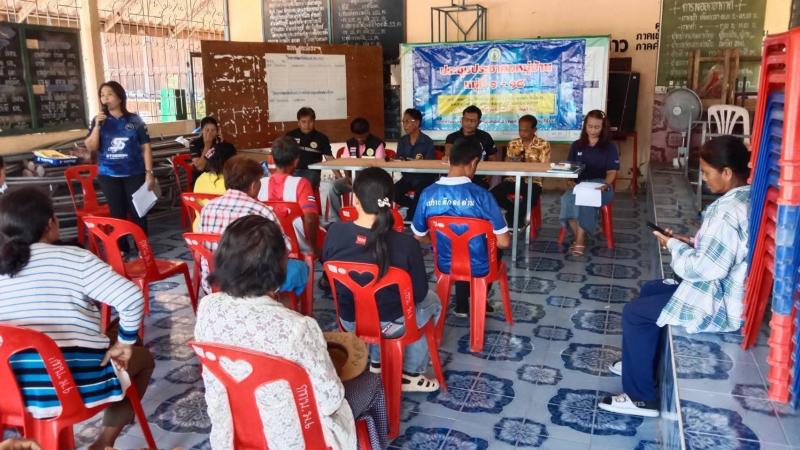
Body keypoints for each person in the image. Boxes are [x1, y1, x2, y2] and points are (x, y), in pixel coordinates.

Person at [196, 215, 388, 450]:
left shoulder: (207, 308)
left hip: (234, 433)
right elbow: (330, 400)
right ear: (279, 266)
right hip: (297, 440)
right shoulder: (298, 327)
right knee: (372, 382)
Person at [599, 136, 751, 418]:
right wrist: (688, 241)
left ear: (727, 173)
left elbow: (705, 269)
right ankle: (641, 364)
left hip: (718, 301)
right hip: (720, 287)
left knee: (634, 314)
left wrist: (674, 246)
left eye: (707, 172)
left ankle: (641, 398)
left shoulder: (727, 212)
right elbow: (721, 250)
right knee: (651, 289)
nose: (704, 179)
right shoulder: (745, 198)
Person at [0, 187, 154, 450]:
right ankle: (103, 443)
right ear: (50, 223)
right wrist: (124, 343)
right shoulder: (74, 258)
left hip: (11, 392)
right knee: (142, 358)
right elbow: (131, 298)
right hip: (74, 388)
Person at [323, 167, 442, 391]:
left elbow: (327, 268)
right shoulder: (406, 244)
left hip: (350, 321)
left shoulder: (334, 232)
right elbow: (418, 294)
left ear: (355, 200)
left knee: (374, 301)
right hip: (390, 326)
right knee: (433, 300)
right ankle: (411, 373)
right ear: (392, 203)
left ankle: (377, 362)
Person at [412, 138, 510, 317]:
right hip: (479, 267)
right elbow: (503, 242)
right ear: (474, 162)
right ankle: (479, 299)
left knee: (457, 248)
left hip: (445, 264)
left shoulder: (427, 194)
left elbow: (418, 235)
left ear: (449, 160)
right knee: (489, 248)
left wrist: (437, 242)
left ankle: (462, 305)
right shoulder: (482, 196)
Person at [198, 155, 308, 295]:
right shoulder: (261, 210)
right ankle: (281, 305)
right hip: (251, 286)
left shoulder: (208, 207)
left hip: (214, 282)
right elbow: (285, 249)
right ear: (254, 185)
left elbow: (201, 244)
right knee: (300, 268)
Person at [83, 81, 154, 254]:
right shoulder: (98, 121)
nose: (105, 98)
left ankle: (142, 248)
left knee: (138, 212)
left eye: (109, 94)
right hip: (108, 175)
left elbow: (146, 147)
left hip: (134, 173)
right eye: (102, 95)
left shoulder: (135, 120)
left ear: (120, 97)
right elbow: (91, 147)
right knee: (117, 213)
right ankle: (122, 248)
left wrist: (149, 173)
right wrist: (97, 126)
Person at [559, 110, 619, 256]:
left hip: (601, 186)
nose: (592, 130)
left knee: (586, 200)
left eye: (597, 127)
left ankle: (579, 240)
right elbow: (570, 168)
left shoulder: (609, 147)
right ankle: (579, 234)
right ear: (585, 126)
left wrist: (605, 184)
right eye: (590, 126)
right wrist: (569, 180)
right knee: (566, 200)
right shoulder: (577, 145)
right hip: (579, 185)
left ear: (603, 128)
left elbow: (612, 172)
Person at [258, 136, 319, 255]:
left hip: (268, 247)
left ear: (272, 160)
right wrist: (313, 248)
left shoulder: (260, 183)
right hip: (299, 248)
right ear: (296, 161)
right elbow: (311, 219)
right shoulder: (301, 184)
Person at [490, 114, 551, 229]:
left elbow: (544, 167)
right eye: (520, 130)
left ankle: (512, 217)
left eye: (525, 130)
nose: (522, 133)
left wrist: (524, 165)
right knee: (492, 195)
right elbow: (506, 164)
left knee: (530, 198)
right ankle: (513, 211)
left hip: (532, 181)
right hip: (512, 180)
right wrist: (512, 161)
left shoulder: (543, 145)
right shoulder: (513, 143)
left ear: (534, 130)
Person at [327, 118, 385, 221]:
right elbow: (345, 162)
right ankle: (335, 220)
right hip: (352, 180)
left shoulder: (377, 144)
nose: (359, 139)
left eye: (362, 137)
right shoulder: (349, 143)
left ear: (368, 132)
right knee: (333, 187)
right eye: (356, 136)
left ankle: (368, 219)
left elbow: (379, 167)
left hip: (370, 182)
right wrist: (347, 177)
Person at [394, 108, 437, 220]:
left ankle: (410, 219)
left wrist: (414, 162)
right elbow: (398, 159)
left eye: (407, 121)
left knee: (420, 195)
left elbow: (429, 164)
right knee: (392, 193)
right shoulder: (402, 141)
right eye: (403, 122)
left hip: (424, 178)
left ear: (417, 123)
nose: (404, 125)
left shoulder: (427, 141)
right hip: (408, 177)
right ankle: (413, 206)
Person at [444, 105, 498, 189]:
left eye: (473, 121)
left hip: (479, 176)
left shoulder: (485, 137)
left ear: (479, 122)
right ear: (462, 120)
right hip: (456, 177)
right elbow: (448, 156)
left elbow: (493, 158)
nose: (469, 123)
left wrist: (489, 176)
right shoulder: (452, 137)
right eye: (466, 120)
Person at [286, 107, 332, 189]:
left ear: (314, 121)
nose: (307, 125)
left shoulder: (322, 138)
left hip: (312, 171)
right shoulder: (290, 136)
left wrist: (340, 177)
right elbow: (283, 155)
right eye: (303, 122)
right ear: (298, 122)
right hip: (293, 170)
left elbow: (329, 158)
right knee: (286, 183)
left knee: (302, 185)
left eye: (310, 121)